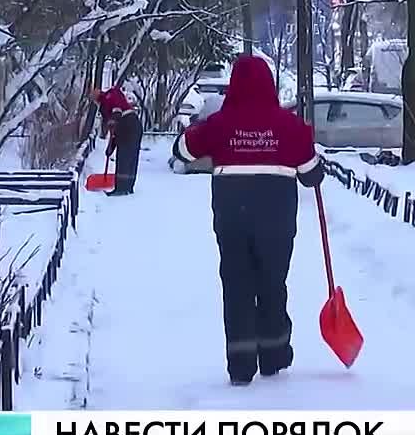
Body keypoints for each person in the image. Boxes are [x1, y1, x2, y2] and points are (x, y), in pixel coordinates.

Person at [172, 54, 325, 386]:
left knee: (237, 285)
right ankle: (273, 356)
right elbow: (312, 175)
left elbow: (182, 151)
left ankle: (241, 365)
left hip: (232, 216)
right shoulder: (290, 125)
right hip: (277, 217)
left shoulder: (219, 124)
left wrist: (200, 133)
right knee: (272, 282)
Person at [92, 84, 143, 196]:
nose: (92, 95)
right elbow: (113, 132)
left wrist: (113, 119)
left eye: (92, 91)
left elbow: (117, 112)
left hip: (128, 124)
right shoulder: (103, 106)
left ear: (98, 90)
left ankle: (122, 188)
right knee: (129, 155)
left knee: (125, 157)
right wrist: (111, 147)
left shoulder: (111, 93)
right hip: (129, 127)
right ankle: (127, 186)